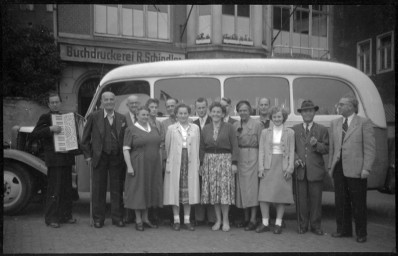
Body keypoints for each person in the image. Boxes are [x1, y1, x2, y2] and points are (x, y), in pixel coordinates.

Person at [328, 94, 376, 243]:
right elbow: (332, 148)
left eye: (341, 104)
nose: (339, 106)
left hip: (357, 169)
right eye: (339, 104)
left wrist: (366, 168)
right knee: (341, 201)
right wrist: (330, 166)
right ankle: (343, 230)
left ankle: (361, 233)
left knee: (358, 202)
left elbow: (370, 148)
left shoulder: (364, 123)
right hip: (338, 168)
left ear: (351, 107)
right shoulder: (335, 123)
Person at [31, 91, 76, 228]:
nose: (55, 104)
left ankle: (65, 216)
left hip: (66, 158)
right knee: (54, 189)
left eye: (57, 102)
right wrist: (50, 129)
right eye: (53, 102)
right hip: (54, 159)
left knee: (66, 189)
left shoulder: (67, 117)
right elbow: (35, 134)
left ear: (60, 103)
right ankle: (51, 218)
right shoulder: (45, 117)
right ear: (49, 104)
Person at [81, 91, 127, 228]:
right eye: (106, 100)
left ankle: (117, 218)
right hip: (99, 157)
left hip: (116, 158)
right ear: (101, 101)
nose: (109, 102)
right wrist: (88, 155)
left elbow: (124, 139)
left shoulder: (121, 118)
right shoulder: (94, 116)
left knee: (117, 189)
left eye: (111, 99)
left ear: (115, 101)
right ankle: (98, 219)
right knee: (98, 189)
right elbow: (84, 139)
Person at [200, 102, 239, 232]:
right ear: (210, 113)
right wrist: (201, 164)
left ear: (223, 114)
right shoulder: (205, 128)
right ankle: (218, 220)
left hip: (225, 161)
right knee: (215, 193)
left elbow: (235, 146)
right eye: (213, 111)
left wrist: (234, 163)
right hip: (209, 162)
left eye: (218, 112)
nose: (216, 114)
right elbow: (201, 148)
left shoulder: (229, 127)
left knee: (224, 193)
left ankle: (226, 220)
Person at [123, 106, 163, 231]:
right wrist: (129, 166)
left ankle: (146, 218)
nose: (145, 117)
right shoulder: (131, 129)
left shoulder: (155, 129)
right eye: (143, 115)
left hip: (153, 165)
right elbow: (125, 150)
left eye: (147, 114)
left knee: (148, 190)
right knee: (138, 191)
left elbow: (159, 147)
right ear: (137, 116)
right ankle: (138, 219)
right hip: (138, 164)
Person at [292, 100, 329, 235]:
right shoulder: (294, 129)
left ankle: (315, 226)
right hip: (300, 170)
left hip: (316, 170)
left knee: (316, 199)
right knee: (301, 200)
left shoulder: (322, 129)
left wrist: (317, 144)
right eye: (305, 111)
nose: (308, 113)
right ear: (301, 113)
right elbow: (291, 148)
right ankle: (302, 225)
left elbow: (326, 148)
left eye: (310, 110)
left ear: (314, 112)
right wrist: (296, 159)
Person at [257, 106, 295, 234]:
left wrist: (290, 168)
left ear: (283, 117)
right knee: (264, 196)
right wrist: (261, 167)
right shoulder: (265, 132)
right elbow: (261, 150)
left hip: (282, 165)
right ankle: (265, 222)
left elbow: (291, 151)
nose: (277, 119)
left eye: (279, 116)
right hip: (268, 165)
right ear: (271, 118)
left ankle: (278, 223)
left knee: (281, 196)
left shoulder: (290, 132)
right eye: (274, 117)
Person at [164, 104, 201, 231]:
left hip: (189, 161)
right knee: (175, 191)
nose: (183, 116)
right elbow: (167, 147)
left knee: (188, 192)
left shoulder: (195, 128)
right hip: (176, 162)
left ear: (189, 114)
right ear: (176, 114)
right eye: (180, 113)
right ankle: (176, 220)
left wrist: (197, 164)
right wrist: (169, 162)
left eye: (185, 113)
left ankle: (187, 219)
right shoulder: (171, 129)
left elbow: (197, 146)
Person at [233, 101, 262, 231]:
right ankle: (246, 217)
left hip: (253, 156)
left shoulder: (257, 125)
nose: (243, 112)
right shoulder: (235, 125)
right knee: (242, 189)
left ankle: (253, 219)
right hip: (240, 157)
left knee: (253, 189)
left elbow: (262, 145)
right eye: (240, 110)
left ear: (250, 111)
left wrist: (261, 163)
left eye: (245, 110)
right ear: (237, 112)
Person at [193, 97, 216, 225]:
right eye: (199, 108)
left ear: (207, 108)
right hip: (196, 159)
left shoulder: (214, 121)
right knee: (199, 187)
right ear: (195, 109)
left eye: (203, 107)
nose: (201, 110)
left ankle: (212, 218)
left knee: (211, 187)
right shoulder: (192, 123)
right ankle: (199, 218)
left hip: (211, 158)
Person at [123, 95, 140, 223]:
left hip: (139, 157)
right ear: (127, 105)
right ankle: (128, 214)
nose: (134, 105)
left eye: (136, 103)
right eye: (131, 104)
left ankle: (137, 214)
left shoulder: (143, 117)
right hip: (126, 156)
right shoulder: (123, 118)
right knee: (128, 187)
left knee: (138, 186)